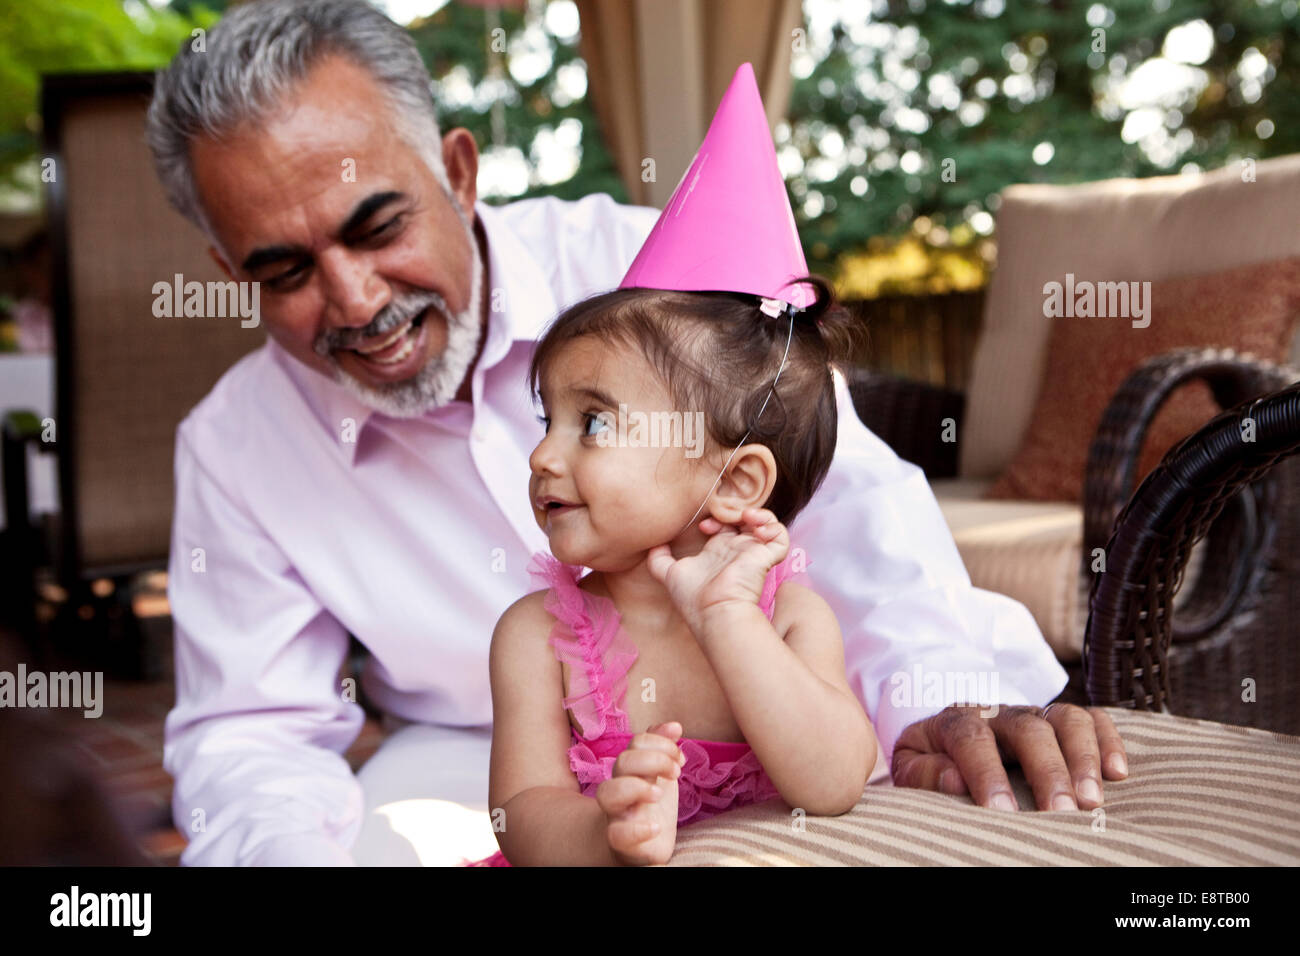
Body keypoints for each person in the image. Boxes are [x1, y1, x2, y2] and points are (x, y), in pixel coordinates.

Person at [145, 0, 1126, 867]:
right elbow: (251, 735)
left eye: (377, 226)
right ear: (232, 270)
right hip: (466, 753)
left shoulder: (640, 274)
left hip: (766, 715)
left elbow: (858, 518)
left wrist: (941, 694)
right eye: (283, 271)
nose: (355, 300)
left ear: (456, 170)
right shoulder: (235, 444)